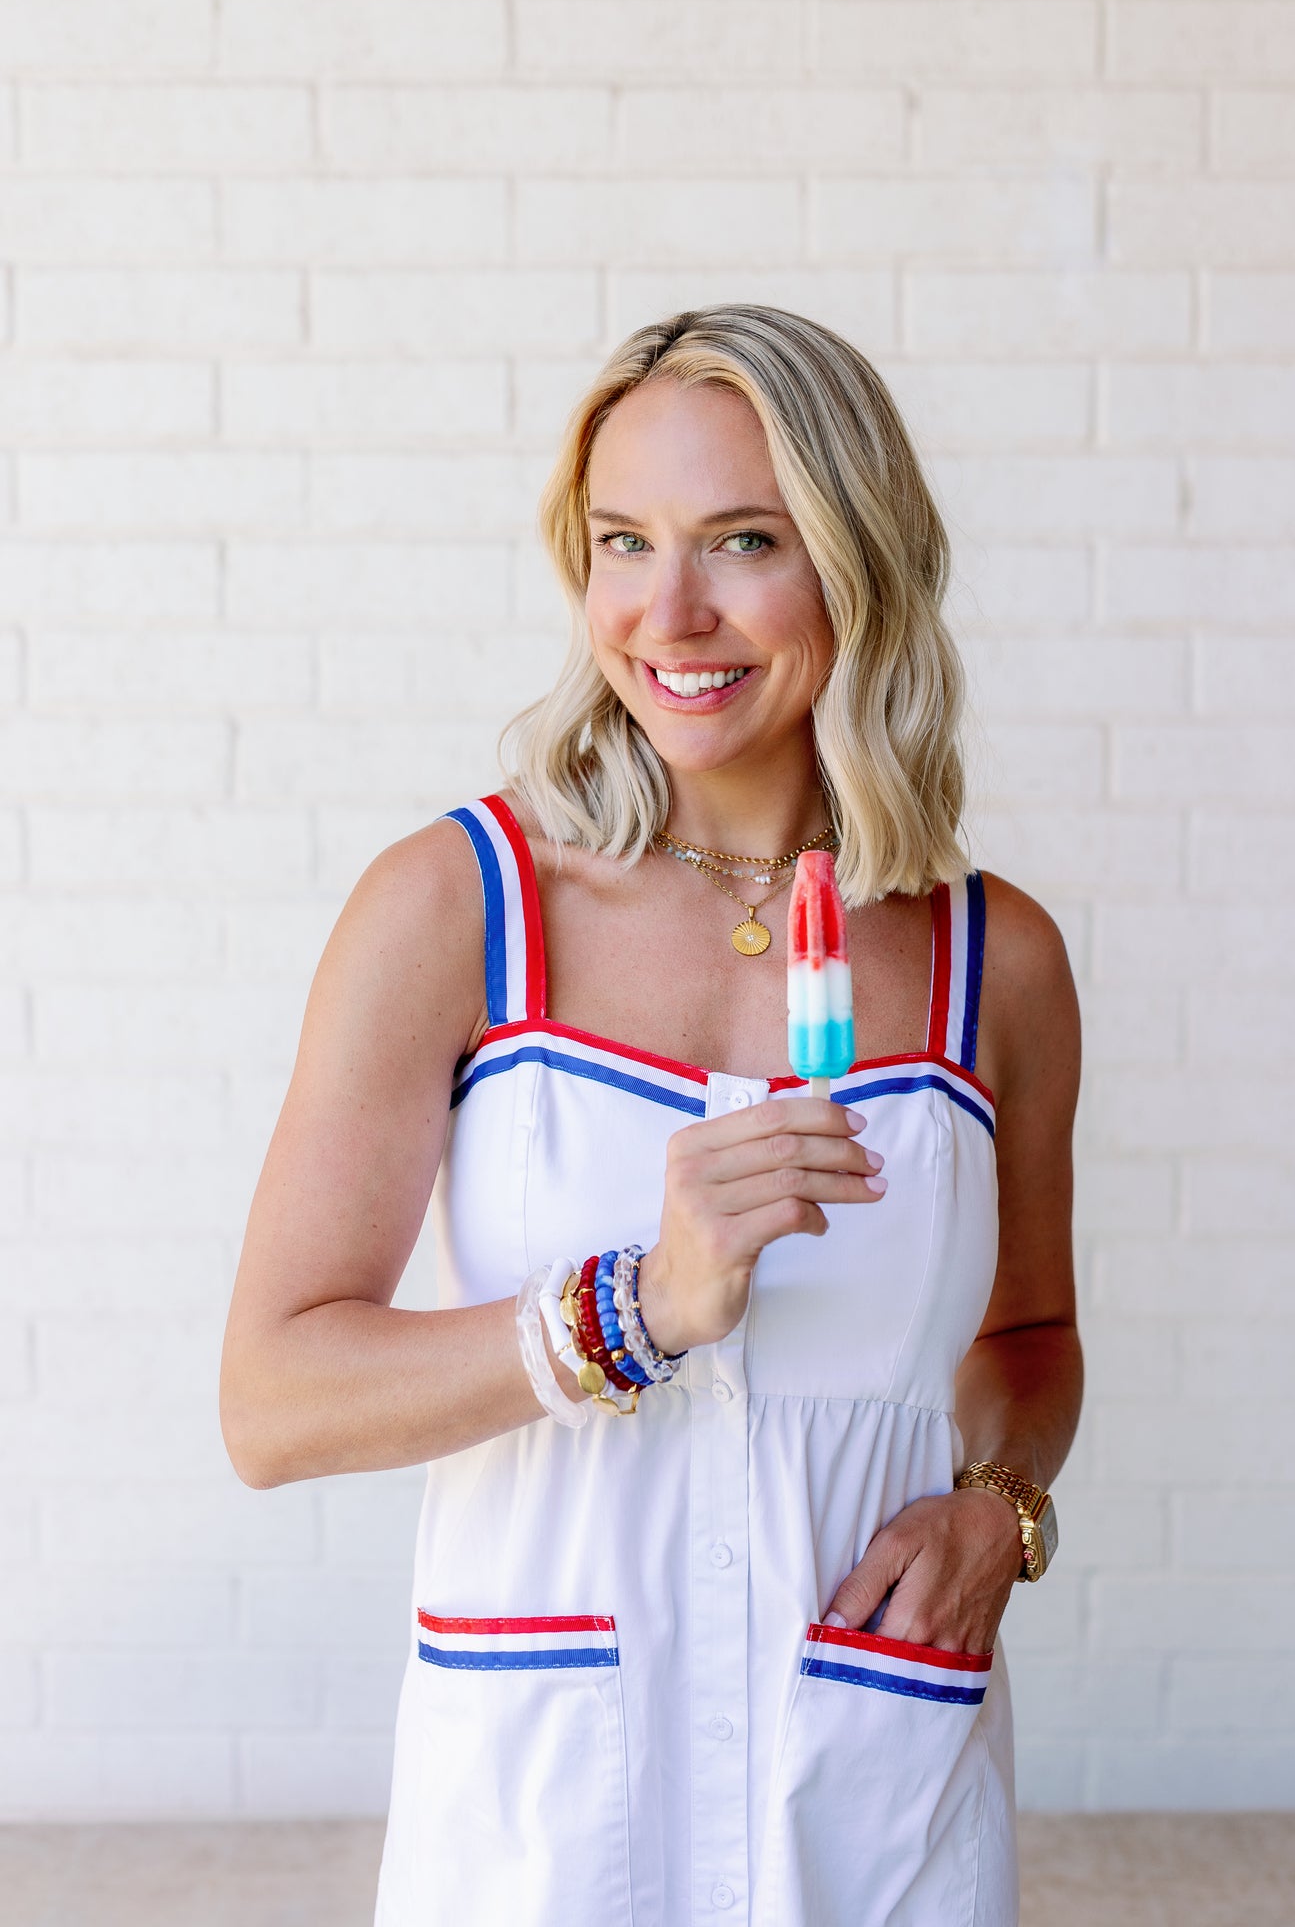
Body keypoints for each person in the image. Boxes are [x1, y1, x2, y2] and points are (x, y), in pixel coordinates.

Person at [221, 303, 1083, 1927]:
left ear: (858, 558)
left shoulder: (997, 962)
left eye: (743, 540)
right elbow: (273, 1402)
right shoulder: (458, 909)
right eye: (623, 541)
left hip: (869, 1797)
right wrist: (633, 1308)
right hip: (545, 1825)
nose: (667, 612)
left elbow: (1028, 1337)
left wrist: (1001, 1509)